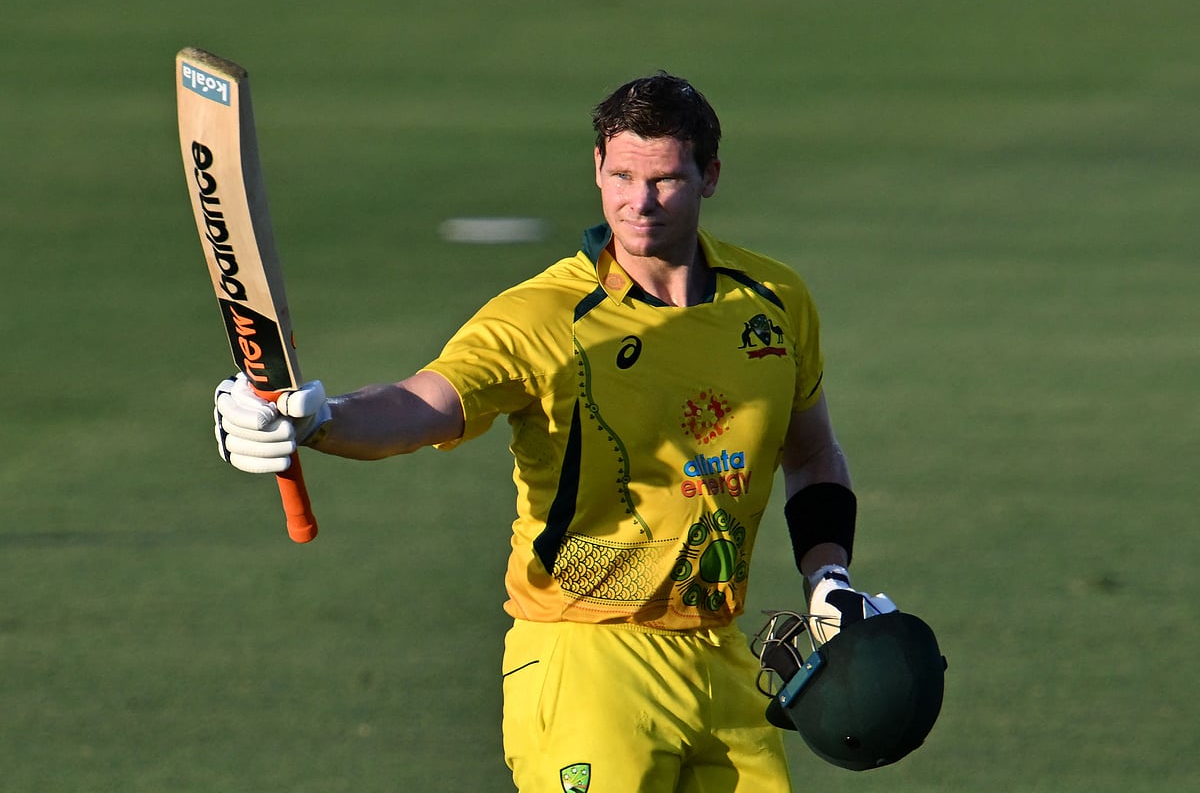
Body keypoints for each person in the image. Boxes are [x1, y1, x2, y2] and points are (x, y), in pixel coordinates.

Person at [213, 71, 886, 793]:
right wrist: (319, 420)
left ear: (710, 176)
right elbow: (420, 403)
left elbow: (812, 453)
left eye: (664, 180)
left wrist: (828, 577)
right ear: (597, 166)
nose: (639, 202)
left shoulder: (774, 300)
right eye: (622, 176)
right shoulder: (542, 315)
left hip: (720, 655)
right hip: (585, 659)